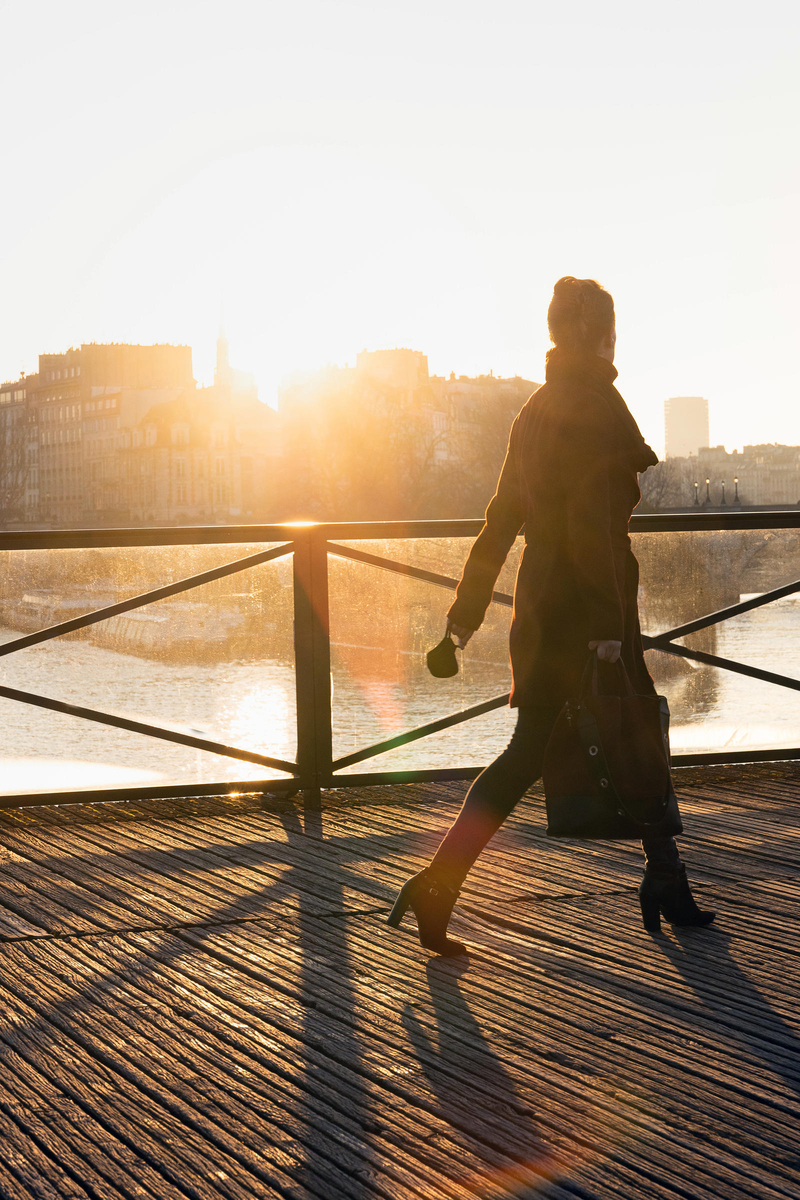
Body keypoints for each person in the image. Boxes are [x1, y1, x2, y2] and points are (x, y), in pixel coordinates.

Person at [388, 276, 715, 955]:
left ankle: (668, 881)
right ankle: (440, 882)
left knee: (592, 742)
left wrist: (462, 620)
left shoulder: (532, 411)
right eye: (613, 330)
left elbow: (501, 519)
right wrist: (603, 628)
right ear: (601, 333)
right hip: (586, 607)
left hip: (544, 600)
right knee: (610, 737)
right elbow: (592, 525)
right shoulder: (595, 406)